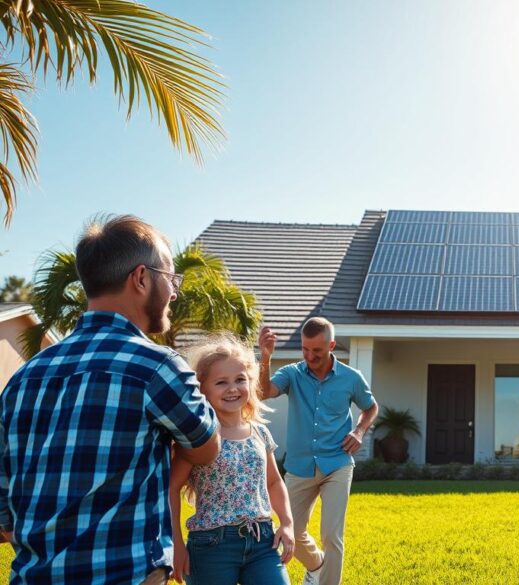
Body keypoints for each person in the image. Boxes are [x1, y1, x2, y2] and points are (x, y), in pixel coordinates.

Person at [0, 215, 221, 584]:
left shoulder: (23, 378)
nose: (174, 293)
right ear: (141, 278)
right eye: (171, 279)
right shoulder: (157, 367)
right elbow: (206, 449)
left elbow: (4, 517)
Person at [259, 318, 378, 585]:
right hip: (299, 466)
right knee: (289, 531)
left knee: (331, 536)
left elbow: (371, 407)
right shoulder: (292, 374)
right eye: (305, 349)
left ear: (331, 346)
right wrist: (265, 357)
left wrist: (359, 431)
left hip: (337, 463)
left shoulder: (351, 378)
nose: (310, 356)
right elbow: (264, 392)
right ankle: (316, 565)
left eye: (317, 351)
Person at [169, 336, 295, 585]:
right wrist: (177, 544)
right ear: (202, 389)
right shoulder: (197, 437)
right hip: (212, 546)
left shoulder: (260, 432)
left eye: (240, 379)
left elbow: (273, 482)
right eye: (221, 382)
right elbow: (172, 488)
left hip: (262, 541)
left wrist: (287, 523)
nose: (232, 388)